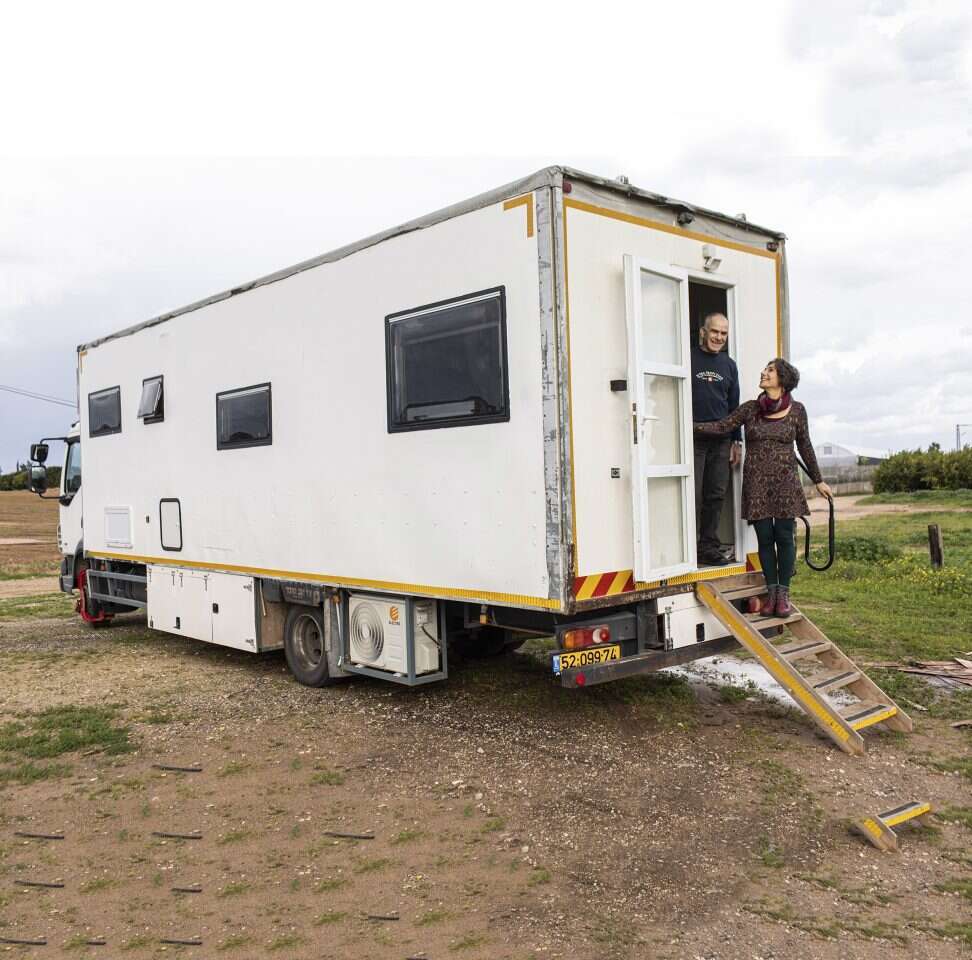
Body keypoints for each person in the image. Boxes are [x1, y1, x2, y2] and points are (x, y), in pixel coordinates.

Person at [694, 358, 833, 616]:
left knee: (784, 537)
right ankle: (770, 595)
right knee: (765, 540)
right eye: (765, 369)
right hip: (756, 483)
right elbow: (723, 426)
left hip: (785, 483)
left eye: (770, 370)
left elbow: (805, 445)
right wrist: (688, 426)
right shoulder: (750, 409)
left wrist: (818, 480)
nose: (764, 373)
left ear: (783, 379)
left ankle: (783, 596)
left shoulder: (797, 410)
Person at [692, 312, 742, 565]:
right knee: (691, 493)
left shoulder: (729, 365)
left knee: (715, 494)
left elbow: (734, 406)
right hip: (693, 437)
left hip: (721, 439)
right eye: (714, 331)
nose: (719, 337)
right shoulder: (688, 359)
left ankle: (708, 547)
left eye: (724, 333)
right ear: (703, 332)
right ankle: (685, 547)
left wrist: (736, 440)